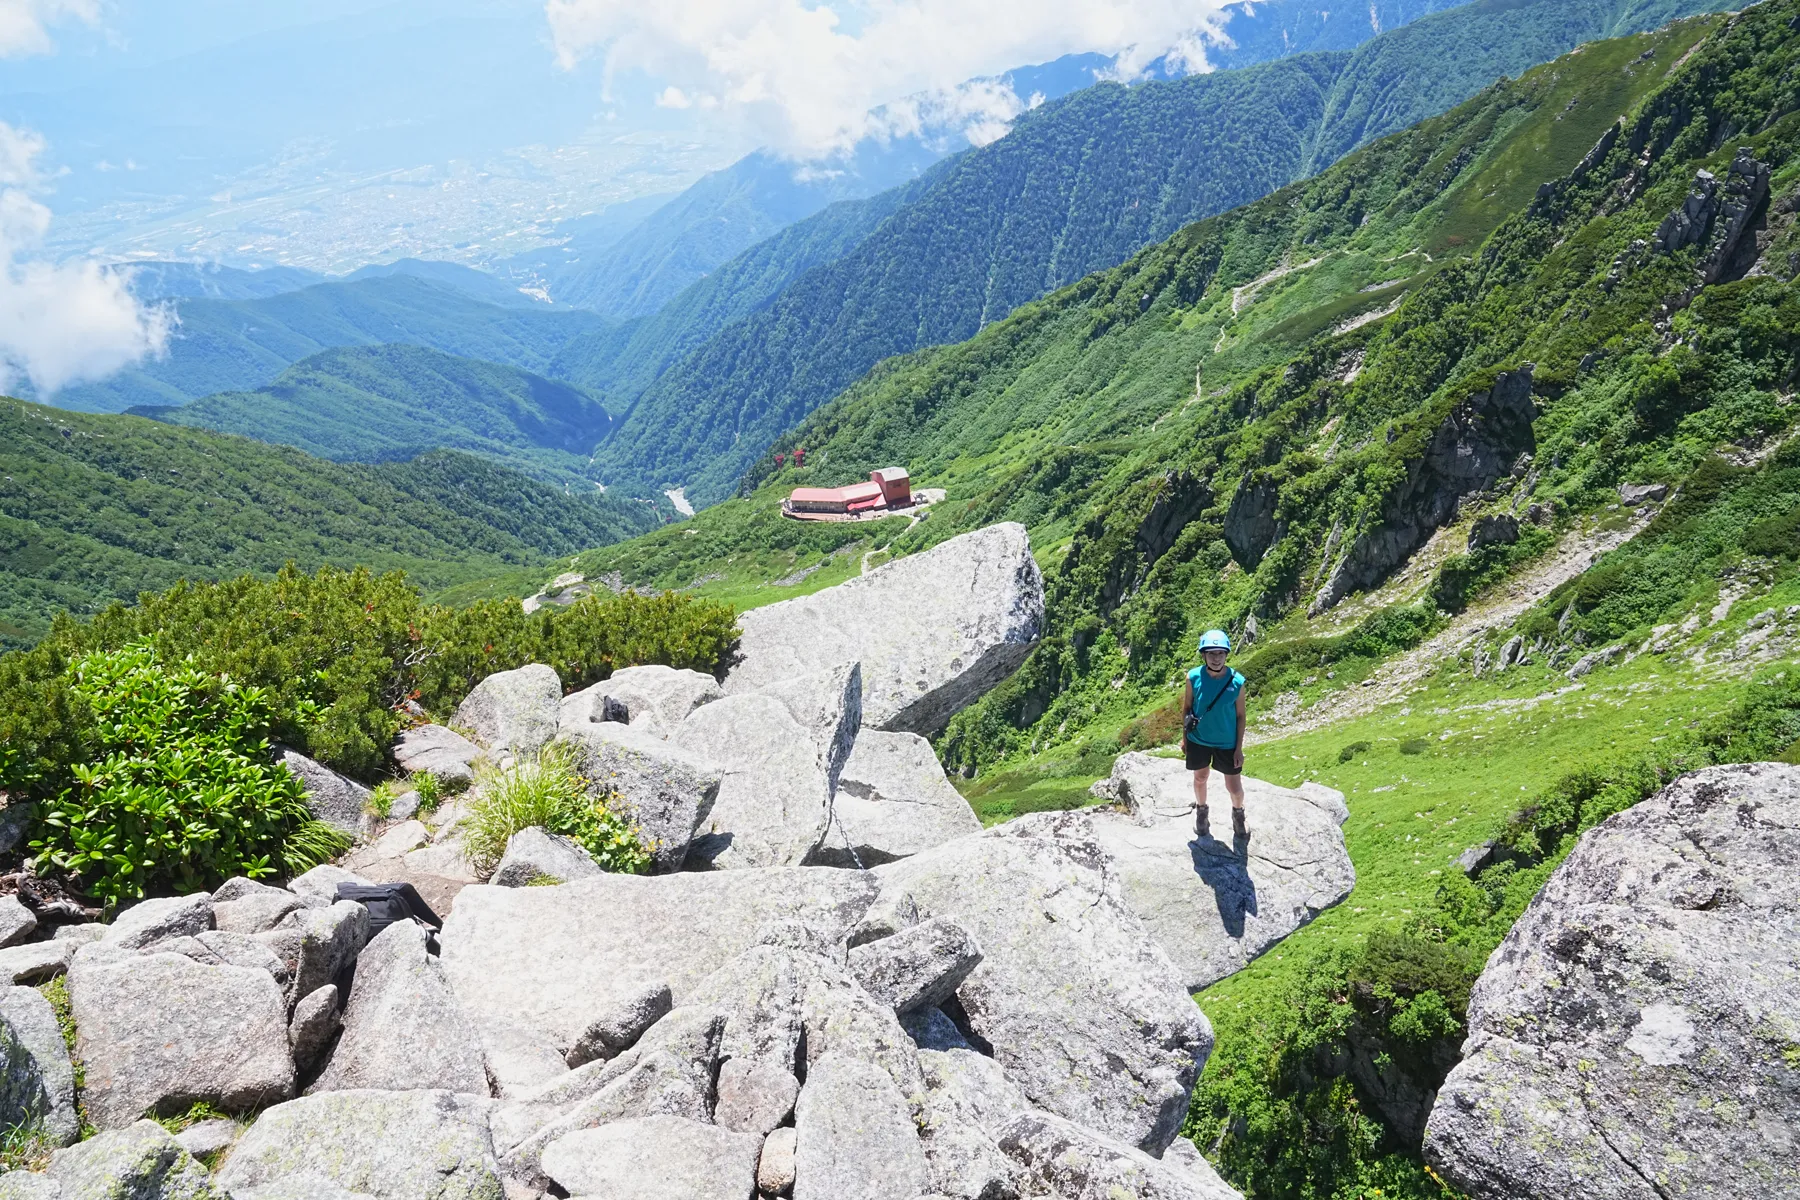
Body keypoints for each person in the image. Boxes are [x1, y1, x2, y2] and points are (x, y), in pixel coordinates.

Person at [1183, 629, 1248, 840]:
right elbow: (1187, 709)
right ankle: (1201, 812)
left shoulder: (1237, 681)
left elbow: (1240, 716)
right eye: (1211, 653)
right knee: (1200, 777)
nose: (1216, 658)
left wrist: (1238, 748)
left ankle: (1238, 814)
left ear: (1226, 654)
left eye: (1221, 653)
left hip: (1226, 742)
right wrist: (1185, 739)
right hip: (1198, 739)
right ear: (1204, 655)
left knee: (1234, 787)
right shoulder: (1193, 677)